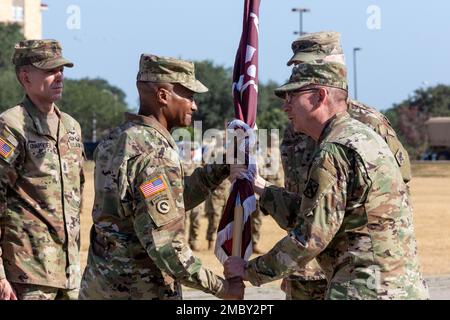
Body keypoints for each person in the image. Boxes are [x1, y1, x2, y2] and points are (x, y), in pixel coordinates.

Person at [225, 61, 429, 300]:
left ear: (320, 96)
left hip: (363, 290)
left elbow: (310, 237)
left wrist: (250, 270)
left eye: (292, 96)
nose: (285, 107)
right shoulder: (360, 136)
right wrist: (259, 185)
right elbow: (319, 214)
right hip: (397, 287)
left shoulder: (334, 150)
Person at [79, 54, 243, 300]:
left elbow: (163, 203)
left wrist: (220, 167)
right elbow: (166, 246)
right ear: (163, 96)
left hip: (99, 286)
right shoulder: (156, 154)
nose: (194, 105)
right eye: (188, 95)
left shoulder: (115, 140)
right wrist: (222, 288)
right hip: (140, 290)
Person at [274, 31, 412, 300]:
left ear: (335, 66)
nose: (302, 71)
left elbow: (395, 194)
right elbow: (300, 200)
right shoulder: (295, 128)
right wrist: (292, 266)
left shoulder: (368, 123)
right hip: (307, 265)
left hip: (359, 268)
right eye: (297, 66)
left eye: (310, 63)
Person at [0, 40, 84, 300]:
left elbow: (77, 194)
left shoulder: (71, 127)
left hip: (69, 274)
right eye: (50, 70)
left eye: (62, 69)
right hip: (27, 276)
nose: (59, 76)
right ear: (25, 76)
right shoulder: (11, 126)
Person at [203, 132, 231, 251]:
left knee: (226, 219)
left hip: (226, 191)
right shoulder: (212, 151)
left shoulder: (228, 151)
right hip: (215, 192)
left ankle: (222, 244)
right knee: (214, 218)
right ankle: (211, 243)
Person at [182, 143, 203, 251]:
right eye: (189, 150)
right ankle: (184, 244)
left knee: (196, 221)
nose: (191, 152)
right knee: (184, 222)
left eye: (193, 150)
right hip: (185, 198)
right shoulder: (180, 164)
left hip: (197, 198)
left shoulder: (198, 164)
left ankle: (193, 242)